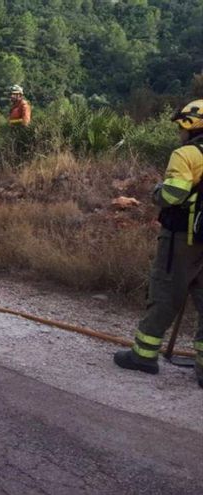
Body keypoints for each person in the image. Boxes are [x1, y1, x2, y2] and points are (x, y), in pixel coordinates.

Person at [113, 99, 203, 389]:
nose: (179, 133)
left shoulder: (186, 154)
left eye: (181, 127)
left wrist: (156, 192)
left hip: (182, 239)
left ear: (191, 126)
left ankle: (144, 355)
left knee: (165, 294)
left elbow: (173, 195)